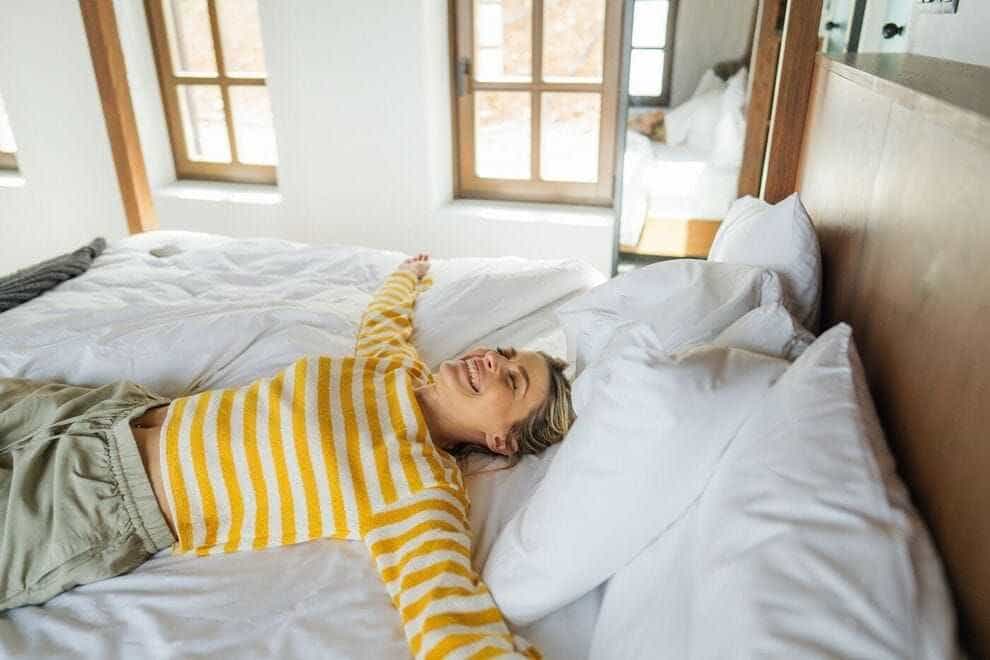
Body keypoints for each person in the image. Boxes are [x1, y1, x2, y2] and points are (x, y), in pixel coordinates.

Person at [0, 253, 575, 659]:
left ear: (500, 441)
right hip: (104, 412)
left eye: (512, 380)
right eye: (504, 352)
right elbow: (386, 322)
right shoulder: (390, 368)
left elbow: (445, 610)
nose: (493, 361)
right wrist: (407, 277)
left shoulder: (418, 484)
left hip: (98, 500)